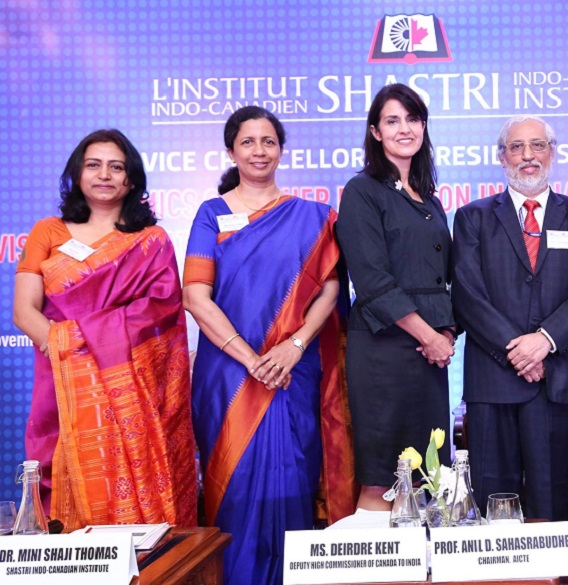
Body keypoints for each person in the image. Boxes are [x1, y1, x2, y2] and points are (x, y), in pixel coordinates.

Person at [183, 106, 353, 585]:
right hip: (229, 376)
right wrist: (251, 359)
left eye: (268, 141)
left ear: (281, 149)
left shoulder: (313, 217)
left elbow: (330, 290)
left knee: (293, 481)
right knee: (234, 491)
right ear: (231, 151)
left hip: (292, 372)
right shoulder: (211, 214)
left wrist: (294, 346)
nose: (259, 151)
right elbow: (195, 296)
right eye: (248, 142)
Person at [13, 129, 197, 531]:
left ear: (131, 180)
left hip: (129, 382)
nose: (104, 175)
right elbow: (24, 311)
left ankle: (143, 560)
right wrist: (71, 354)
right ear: (77, 173)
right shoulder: (48, 231)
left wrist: (96, 351)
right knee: (56, 468)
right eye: (93, 165)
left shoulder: (151, 240)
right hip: (60, 375)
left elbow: (162, 309)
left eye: (116, 167)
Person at [451, 115, 568, 520]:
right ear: (502, 157)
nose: (528, 156)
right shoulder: (473, 218)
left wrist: (544, 341)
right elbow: (468, 295)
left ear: (552, 153)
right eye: (516, 147)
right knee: (494, 503)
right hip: (493, 379)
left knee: (550, 502)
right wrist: (518, 351)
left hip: (556, 378)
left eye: (538, 145)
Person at [336, 83, 455, 511]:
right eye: (392, 120)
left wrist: (447, 333)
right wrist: (430, 336)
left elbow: (442, 278)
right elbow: (372, 281)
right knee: (383, 478)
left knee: (428, 475)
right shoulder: (362, 191)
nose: (404, 128)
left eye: (412, 118)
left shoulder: (430, 199)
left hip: (428, 355)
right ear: (375, 131)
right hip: (383, 348)